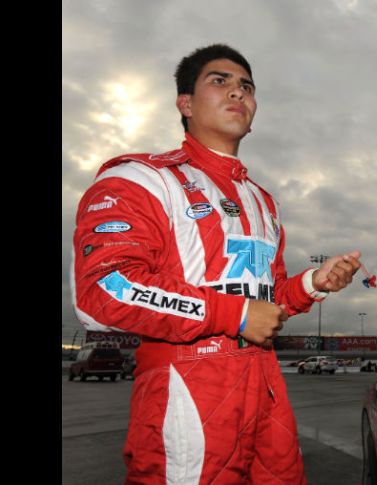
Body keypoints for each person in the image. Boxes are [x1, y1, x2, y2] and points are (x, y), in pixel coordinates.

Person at [71, 44, 361, 484]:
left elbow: (266, 300)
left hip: (264, 385)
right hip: (187, 386)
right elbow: (104, 289)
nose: (237, 93)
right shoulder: (141, 179)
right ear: (185, 104)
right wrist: (236, 314)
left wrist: (313, 283)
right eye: (219, 81)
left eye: (246, 86)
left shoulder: (262, 201)